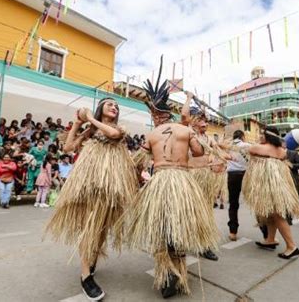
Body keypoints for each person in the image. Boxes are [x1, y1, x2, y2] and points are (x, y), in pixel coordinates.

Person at [126, 61, 218, 298]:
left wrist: (136, 179)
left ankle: (170, 274)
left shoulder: (152, 134)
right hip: (179, 179)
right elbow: (198, 153)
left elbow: (139, 160)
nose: (155, 118)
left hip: (165, 180)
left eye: (155, 114)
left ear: (158, 115)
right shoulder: (185, 130)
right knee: (173, 228)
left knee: (166, 228)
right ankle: (173, 273)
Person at [45, 97, 138, 301]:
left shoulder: (118, 128)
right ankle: (86, 275)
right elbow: (68, 148)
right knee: (89, 226)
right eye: (109, 104)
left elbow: (112, 134)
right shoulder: (90, 131)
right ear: (100, 109)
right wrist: (78, 123)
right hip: (89, 182)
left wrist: (90, 118)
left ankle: (92, 257)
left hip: (111, 184)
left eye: (116, 106)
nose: (114, 107)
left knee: (102, 229)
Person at [242, 127, 299, 259]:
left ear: (268, 136)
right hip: (275, 186)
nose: (260, 136)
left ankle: (291, 246)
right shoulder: (282, 151)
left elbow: (250, 150)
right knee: (270, 213)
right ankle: (271, 239)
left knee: (276, 215)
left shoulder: (261, 148)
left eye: (262, 134)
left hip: (270, 187)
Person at [180, 92, 224, 261]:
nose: (205, 123)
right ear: (194, 121)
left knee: (205, 212)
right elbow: (184, 116)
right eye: (201, 119)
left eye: (206, 120)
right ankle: (181, 243)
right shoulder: (188, 132)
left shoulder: (208, 138)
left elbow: (218, 152)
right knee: (187, 210)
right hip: (190, 176)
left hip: (206, 177)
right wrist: (189, 98)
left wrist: (221, 161)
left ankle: (204, 244)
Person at [225, 130, 251, 241]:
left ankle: (233, 232)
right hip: (246, 174)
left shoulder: (228, 146)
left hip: (232, 175)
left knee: (233, 203)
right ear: (242, 136)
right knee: (255, 201)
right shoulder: (246, 145)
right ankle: (265, 232)